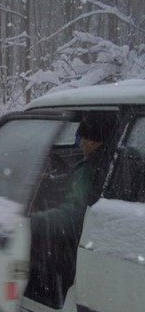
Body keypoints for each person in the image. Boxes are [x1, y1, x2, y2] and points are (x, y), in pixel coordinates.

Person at [27, 113, 117, 305]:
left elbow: (74, 216)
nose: (80, 145)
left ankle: (41, 301)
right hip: (107, 236)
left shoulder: (91, 169)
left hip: (79, 243)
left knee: (37, 248)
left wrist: (32, 221)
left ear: (93, 141)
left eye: (82, 138)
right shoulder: (121, 157)